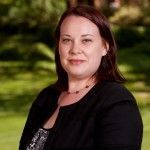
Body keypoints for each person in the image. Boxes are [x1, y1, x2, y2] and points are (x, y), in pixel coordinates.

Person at [19, 5, 143, 150]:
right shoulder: (46, 98)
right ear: (58, 45)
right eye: (66, 40)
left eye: (86, 40)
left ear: (105, 47)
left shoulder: (117, 102)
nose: (75, 50)